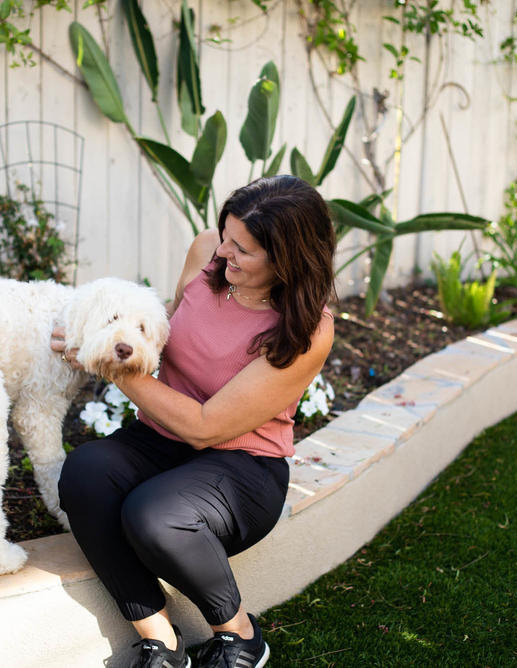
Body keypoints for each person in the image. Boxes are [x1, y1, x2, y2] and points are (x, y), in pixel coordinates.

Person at [51, 175, 336, 668]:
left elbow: (207, 426)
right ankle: (161, 643)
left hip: (242, 465)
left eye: (242, 249)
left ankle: (240, 637)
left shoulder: (307, 329)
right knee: (85, 475)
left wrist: (106, 362)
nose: (224, 252)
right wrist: (103, 333)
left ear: (286, 259)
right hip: (162, 438)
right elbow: (163, 330)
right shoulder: (209, 251)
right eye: (225, 235)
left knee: (155, 514)